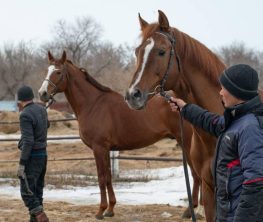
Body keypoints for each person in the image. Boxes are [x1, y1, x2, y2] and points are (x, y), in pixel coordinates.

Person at [169, 64, 263, 222]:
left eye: (223, 88)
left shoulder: (250, 128)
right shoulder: (237, 120)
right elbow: (212, 122)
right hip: (228, 214)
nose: (220, 92)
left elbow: (256, 182)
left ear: (236, 92)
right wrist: (185, 108)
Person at [17, 85, 50, 222]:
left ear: (20, 101)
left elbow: (29, 142)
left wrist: (22, 163)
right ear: (31, 97)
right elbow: (47, 125)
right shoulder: (42, 109)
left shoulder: (25, 114)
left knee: (27, 191)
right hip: (43, 155)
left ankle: (41, 217)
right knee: (37, 191)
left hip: (32, 157)